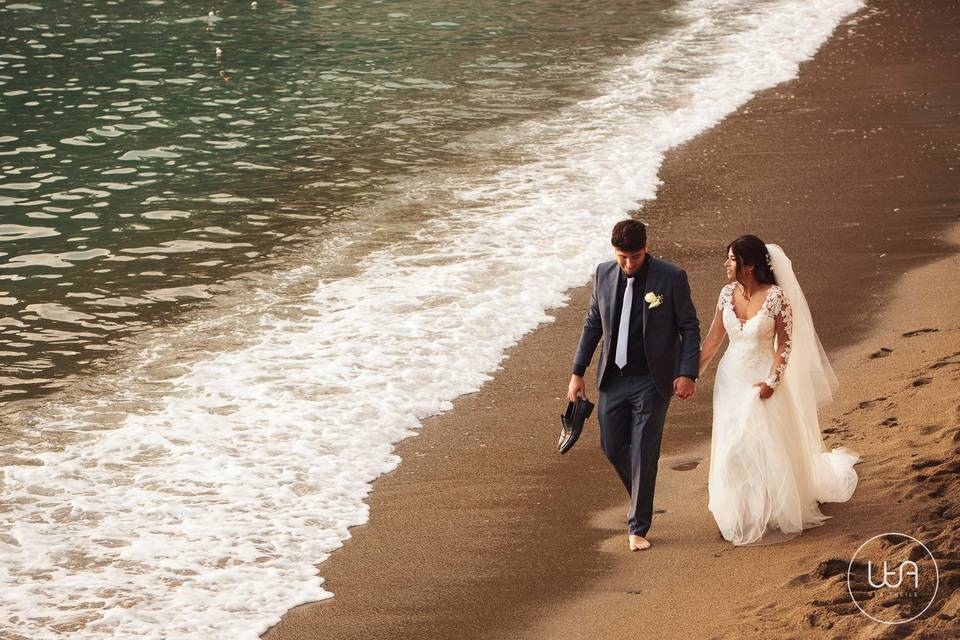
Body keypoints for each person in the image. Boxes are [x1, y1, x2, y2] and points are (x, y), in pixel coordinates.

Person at [698, 235, 859, 546]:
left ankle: (774, 509)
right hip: (730, 380)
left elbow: (785, 344)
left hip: (762, 380)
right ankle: (740, 511)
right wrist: (688, 375)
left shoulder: (776, 298)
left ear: (750, 265)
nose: (726, 264)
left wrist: (773, 381)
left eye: (732, 259)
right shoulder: (726, 294)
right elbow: (713, 340)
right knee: (732, 447)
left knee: (764, 446)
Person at [568, 219, 700, 551]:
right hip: (612, 379)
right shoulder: (602, 274)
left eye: (635, 257)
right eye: (622, 257)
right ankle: (644, 489)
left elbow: (689, 326)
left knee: (643, 450)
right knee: (612, 447)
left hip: (652, 380)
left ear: (647, 248)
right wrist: (577, 372)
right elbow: (593, 324)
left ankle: (638, 525)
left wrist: (687, 373)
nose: (628, 264)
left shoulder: (670, 278)